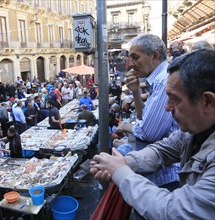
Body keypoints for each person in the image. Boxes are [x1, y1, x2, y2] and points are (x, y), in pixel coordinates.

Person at [90, 49, 215, 219]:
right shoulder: (195, 130)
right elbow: (163, 149)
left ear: (207, 102)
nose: (167, 107)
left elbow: (171, 211)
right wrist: (124, 162)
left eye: (175, 99)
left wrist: (120, 171)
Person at [116, 34, 180, 191]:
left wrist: (125, 126)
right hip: (161, 171)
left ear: (155, 56)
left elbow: (148, 132)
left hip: (166, 176)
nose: (131, 64)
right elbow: (143, 117)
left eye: (135, 57)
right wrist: (136, 92)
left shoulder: (162, 80)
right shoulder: (157, 79)